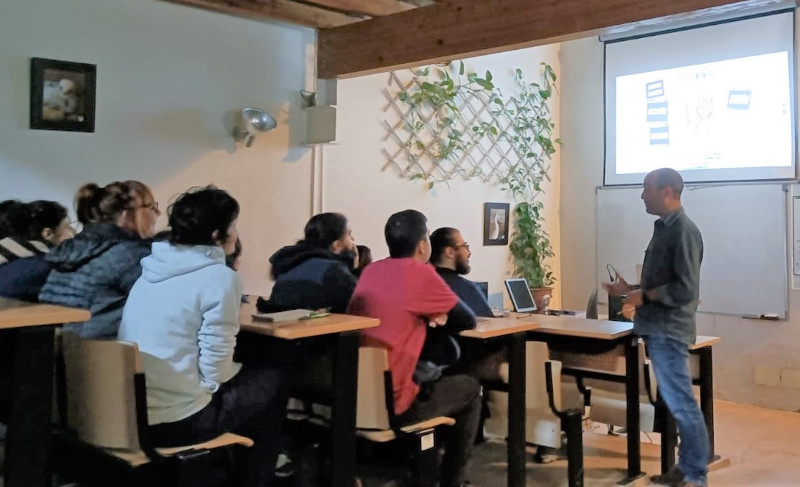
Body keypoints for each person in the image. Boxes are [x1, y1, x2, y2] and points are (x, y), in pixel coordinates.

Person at [118, 186, 288, 487]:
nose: (236, 233)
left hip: (133, 415)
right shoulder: (220, 278)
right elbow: (217, 371)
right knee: (273, 379)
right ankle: (256, 478)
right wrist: (207, 388)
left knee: (253, 381)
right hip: (177, 422)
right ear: (215, 234)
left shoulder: (149, 272)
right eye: (233, 225)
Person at [348, 210, 480, 487]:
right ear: (423, 245)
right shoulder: (420, 273)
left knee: (434, 376)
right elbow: (466, 319)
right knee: (470, 388)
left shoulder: (372, 271)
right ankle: (452, 481)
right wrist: (434, 316)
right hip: (397, 403)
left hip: (359, 397)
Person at [603, 168, 709, 487]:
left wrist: (643, 295)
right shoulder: (664, 228)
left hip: (669, 330)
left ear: (667, 191)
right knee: (677, 405)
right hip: (658, 327)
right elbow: (665, 283)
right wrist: (630, 288)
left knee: (682, 405)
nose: (641, 195)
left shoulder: (684, 231)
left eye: (647, 188)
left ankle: (695, 475)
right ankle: (686, 468)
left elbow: (686, 290)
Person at [39, 181, 159, 338]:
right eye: (151, 207)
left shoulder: (71, 248)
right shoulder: (129, 254)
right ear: (126, 215)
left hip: (57, 347)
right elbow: (163, 307)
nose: (158, 213)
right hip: (104, 353)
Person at [257, 212, 357, 313]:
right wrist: (356, 269)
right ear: (337, 245)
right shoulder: (333, 270)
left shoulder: (289, 264)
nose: (353, 240)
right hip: (321, 327)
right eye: (349, 234)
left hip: (287, 326)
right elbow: (359, 307)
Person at [0, 200, 74, 301]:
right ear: (47, 234)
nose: (73, 233)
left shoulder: (8, 258)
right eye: (68, 227)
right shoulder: (45, 268)